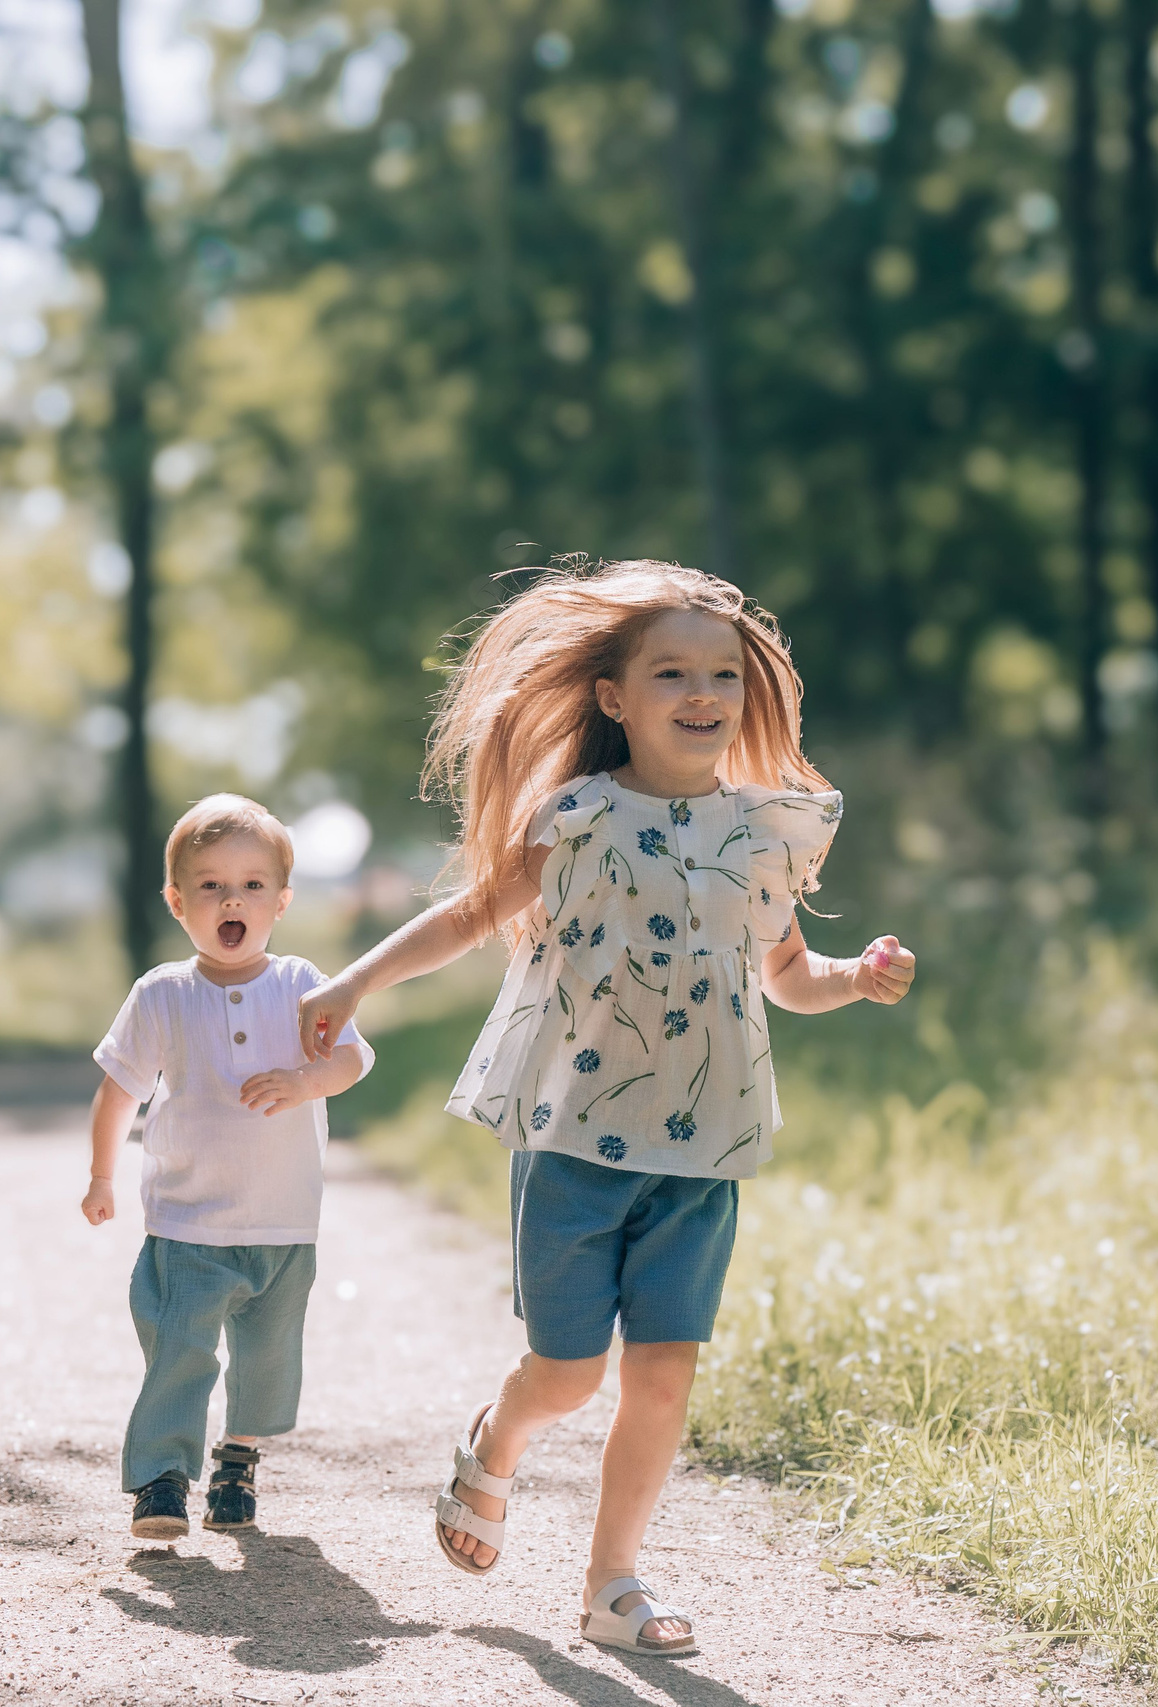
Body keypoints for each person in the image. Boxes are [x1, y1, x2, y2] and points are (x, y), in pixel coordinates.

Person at [296, 561, 914, 1656]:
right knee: (569, 1377)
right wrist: (350, 986)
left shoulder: (765, 830)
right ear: (614, 697)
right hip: (575, 1138)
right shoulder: (576, 816)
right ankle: (496, 1440)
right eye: (670, 670)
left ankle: (611, 1585)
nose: (701, 691)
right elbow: (470, 917)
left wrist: (850, 977)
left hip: (705, 1144)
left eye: (721, 673)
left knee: (664, 1371)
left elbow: (782, 972)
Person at [85, 794, 374, 1541]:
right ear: (178, 902)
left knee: (266, 1359)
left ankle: (238, 1461)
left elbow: (349, 1057)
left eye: (250, 884)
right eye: (210, 885)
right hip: (190, 1216)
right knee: (178, 1347)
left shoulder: (301, 983)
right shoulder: (162, 995)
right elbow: (120, 1088)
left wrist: (306, 1080)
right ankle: (161, 1477)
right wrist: (102, 1175)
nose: (230, 899)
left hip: (283, 1219)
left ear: (280, 900)